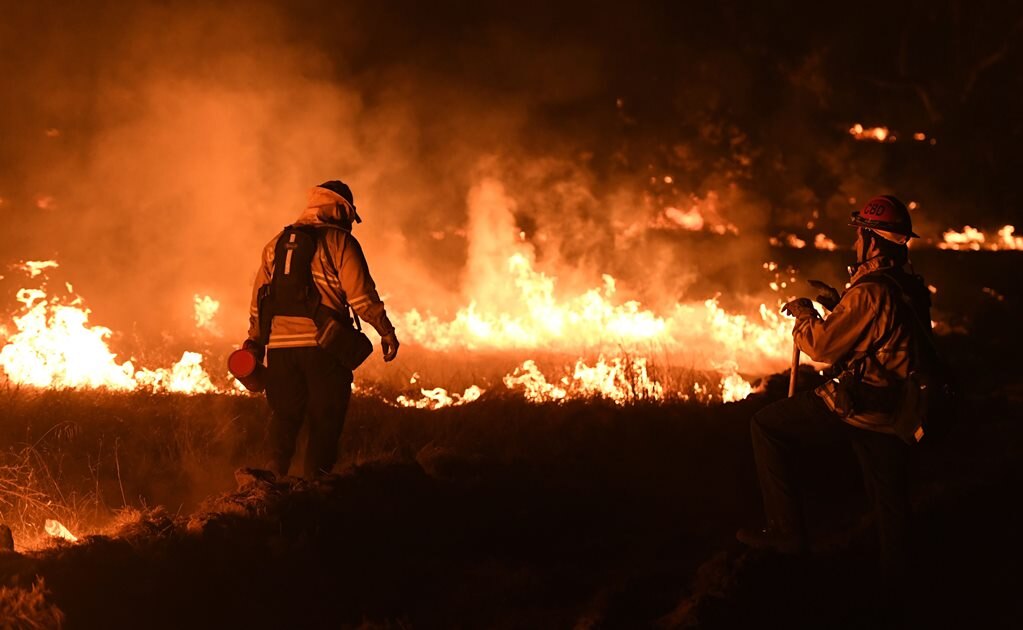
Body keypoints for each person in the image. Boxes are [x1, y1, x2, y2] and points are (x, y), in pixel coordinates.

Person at [737, 195, 933, 588]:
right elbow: (878, 331)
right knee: (891, 504)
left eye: (860, 234)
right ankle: (899, 587)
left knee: (767, 426)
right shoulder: (908, 285)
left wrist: (807, 315)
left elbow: (822, 347)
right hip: (899, 409)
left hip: (864, 404)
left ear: (871, 240)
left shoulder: (871, 293)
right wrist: (838, 303)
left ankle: (786, 534)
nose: (856, 241)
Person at [243, 180, 400, 478]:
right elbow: (361, 297)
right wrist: (385, 330)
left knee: (284, 419)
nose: (350, 224)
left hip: (280, 351)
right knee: (325, 421)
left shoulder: (275, 245)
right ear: (340, 209)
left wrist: (255, 342)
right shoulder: (340, 242)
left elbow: (259, 303)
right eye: (350, 216)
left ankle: (268, 487)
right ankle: (316, 486)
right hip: (324, 348)